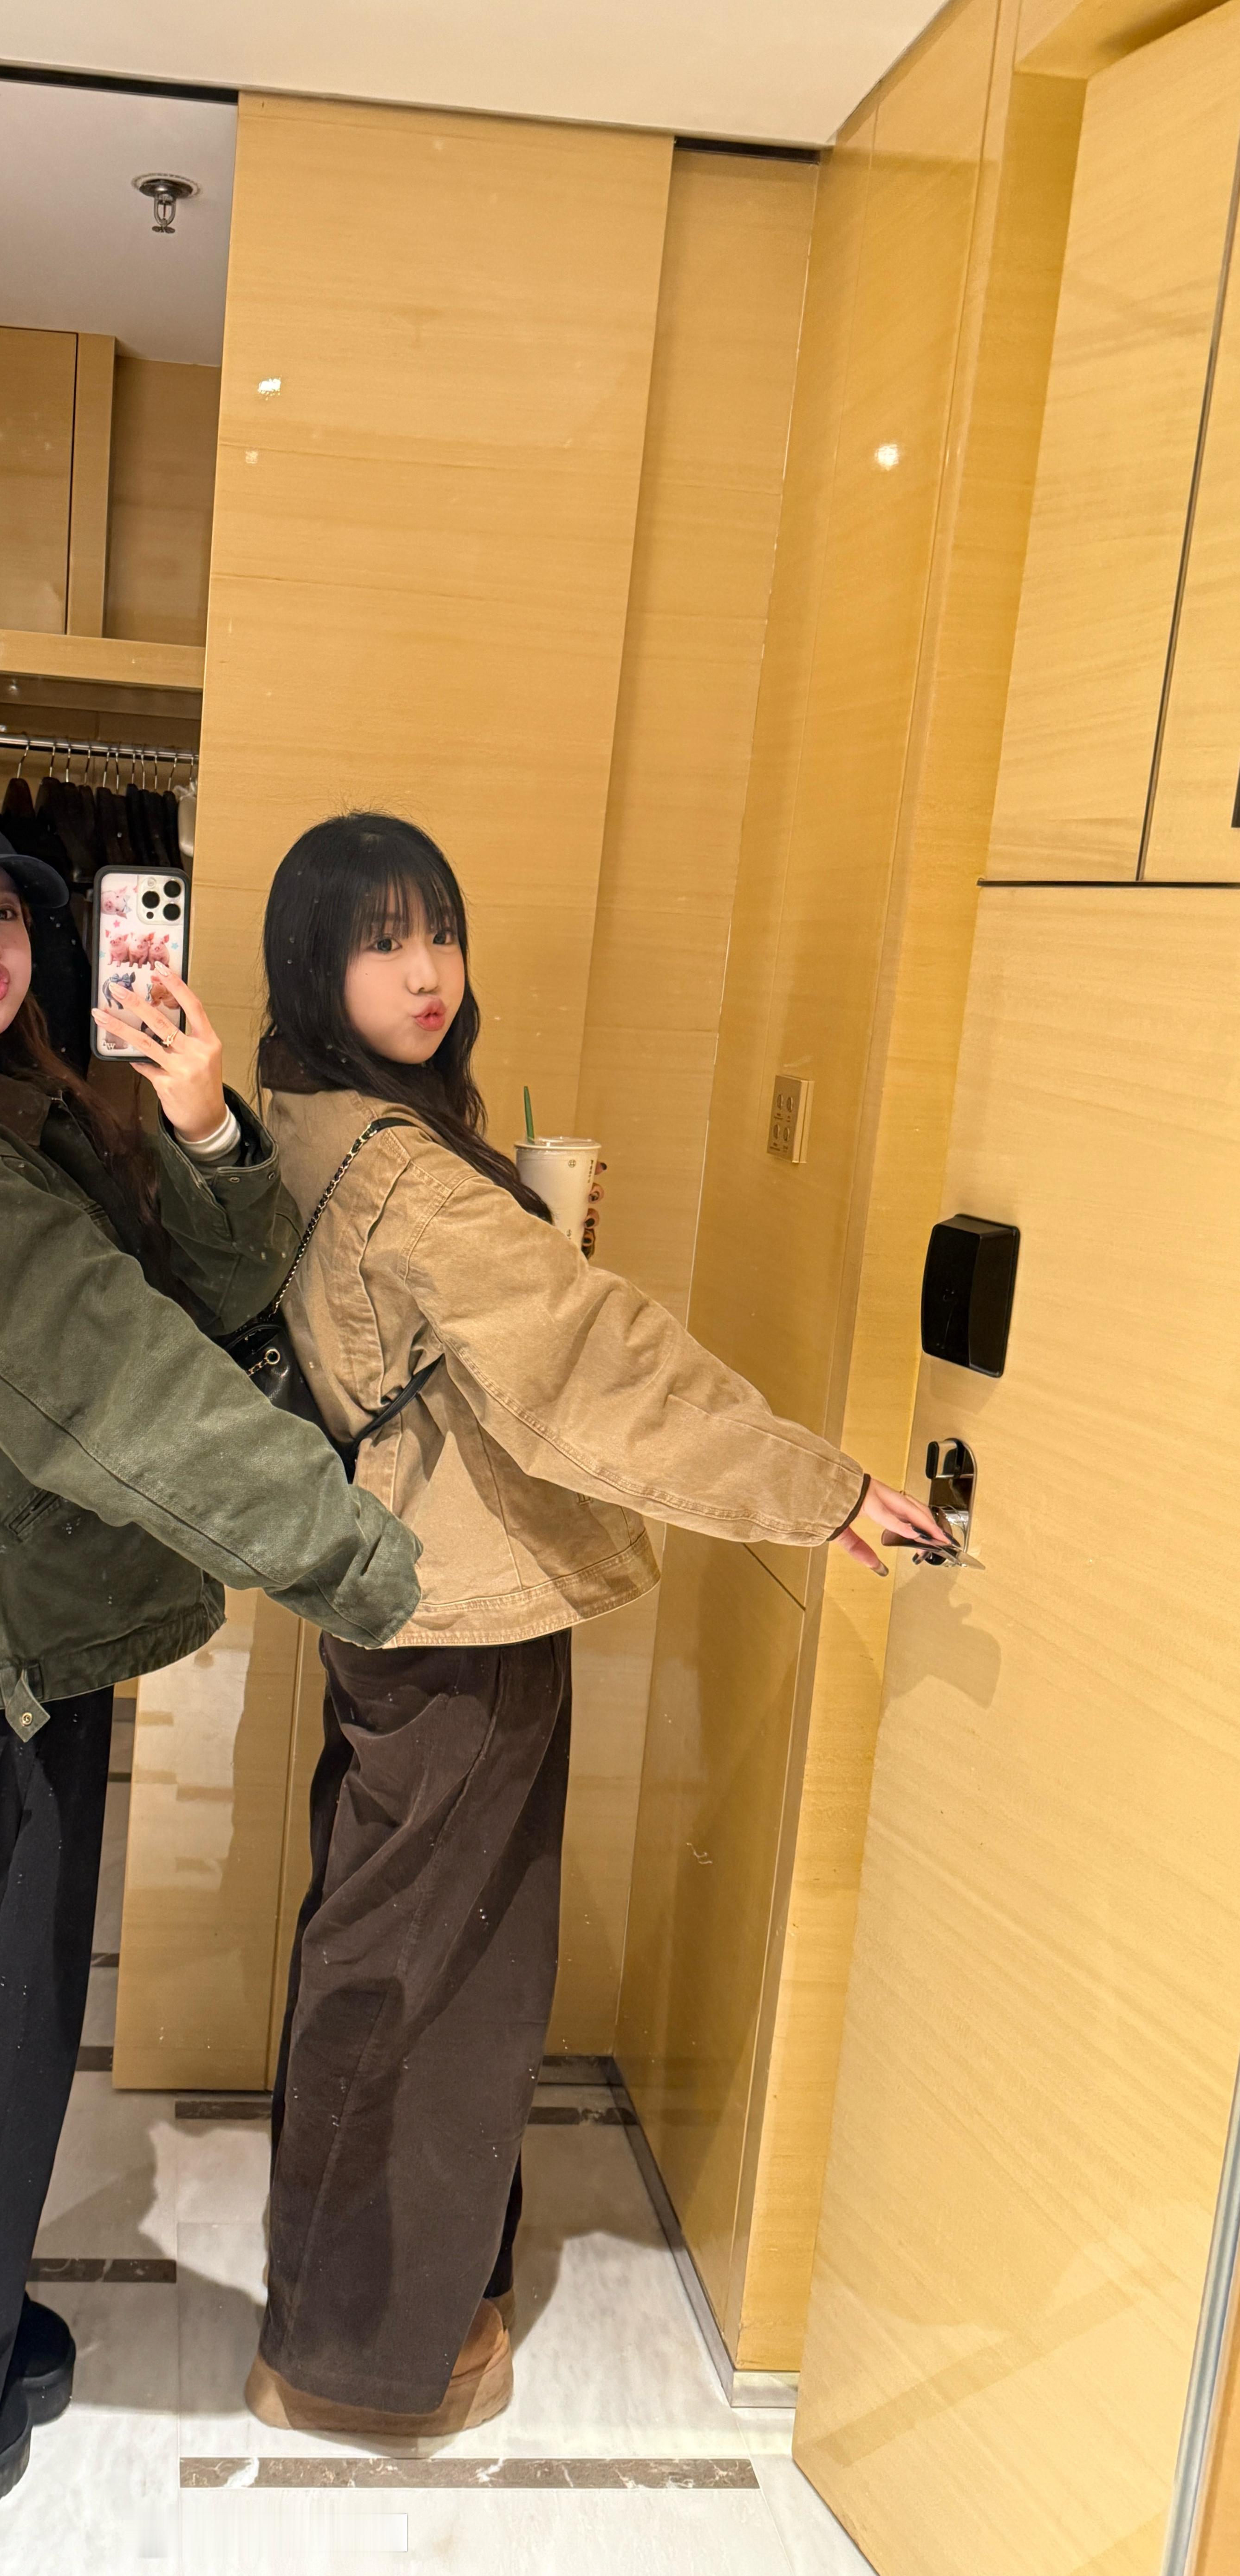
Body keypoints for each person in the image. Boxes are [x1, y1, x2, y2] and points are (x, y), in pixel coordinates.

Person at [0, 799, 421, 2562]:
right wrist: (358, 1557)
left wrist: (200, 1119)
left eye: (4, 910)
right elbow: (133, 1391)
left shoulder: (15, 1109)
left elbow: (200, 1287)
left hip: (25, 1646)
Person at [251, 810, 949, 2443]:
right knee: (437, 1981)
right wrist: (824, 1489)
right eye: (380, 940)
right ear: (314, 963)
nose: (425, 970)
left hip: (391, 1586)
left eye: (440, 930)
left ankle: (365, 2316)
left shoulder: (304, 1112)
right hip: (461, 1613)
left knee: (387, 1949)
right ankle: (359, 2362)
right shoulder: (400, 1167)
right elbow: (594, 1367)